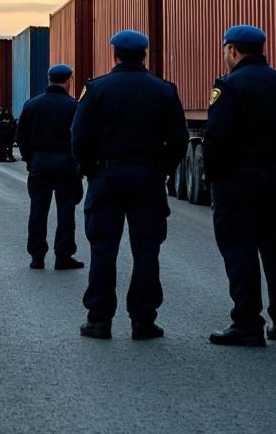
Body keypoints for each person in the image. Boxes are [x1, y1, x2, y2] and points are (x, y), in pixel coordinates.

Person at [72, 30, 189, 340]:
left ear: (115, 55)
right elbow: (179, 138)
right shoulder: (163, 90)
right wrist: (163, 169)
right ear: (145, 55)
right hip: (148, 178)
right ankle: (143, 320)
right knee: (147, 252)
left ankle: (99, 320)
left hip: (106, 178)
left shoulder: (96, 90)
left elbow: (79, 136)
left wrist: (89, 170)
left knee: (103, 250)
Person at [203, 25, 276, 349]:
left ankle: (247, 323)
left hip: (237, 182)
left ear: (233, 50)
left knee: (240, 250)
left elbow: (215, 139)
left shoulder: (229, 87)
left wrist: (214, 178)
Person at [16, 64, 84, 271]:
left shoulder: (32, 105)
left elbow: (21, 137)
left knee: (38, 209)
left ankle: (37, 256)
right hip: (66, 162)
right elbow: (81, 137)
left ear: (49, 79)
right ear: (69, 80)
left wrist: (30, 159)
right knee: (65, 210)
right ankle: (63, 256)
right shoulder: (74, 106)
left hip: (40, 161)